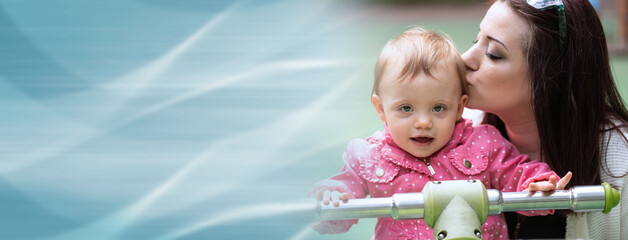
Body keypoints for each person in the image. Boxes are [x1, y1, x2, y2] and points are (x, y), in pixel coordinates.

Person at [309, 27, 571, 240]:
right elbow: (337, 211)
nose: (423, 122)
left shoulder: (483, 142)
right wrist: (331, 197)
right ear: (381, 108)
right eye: (406, 108)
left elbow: (517, 172)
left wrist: (538, 184)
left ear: (459, 107)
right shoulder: (368, 156)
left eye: (438, 108)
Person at [461, 0, 628, 239]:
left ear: (551, 78)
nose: (464, 58)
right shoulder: (451, 133)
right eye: (476, 41)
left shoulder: (621, 164)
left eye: (493, 54)